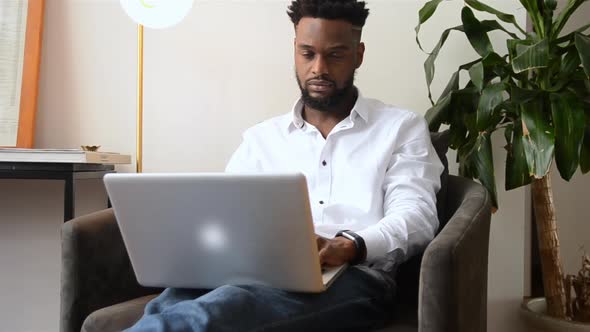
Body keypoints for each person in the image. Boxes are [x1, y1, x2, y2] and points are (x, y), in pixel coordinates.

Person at [127, 0, 443, 331]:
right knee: (167, 305)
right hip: (255, 269)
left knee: (209, 314)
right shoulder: (261, 139)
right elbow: (225, 215)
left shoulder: (400, 128)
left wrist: (350, 245)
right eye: (308, 53)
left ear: (358, 54)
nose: (319, 68)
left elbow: (416, 217)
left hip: (355, 278)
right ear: (294, 50)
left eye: (334, 54)